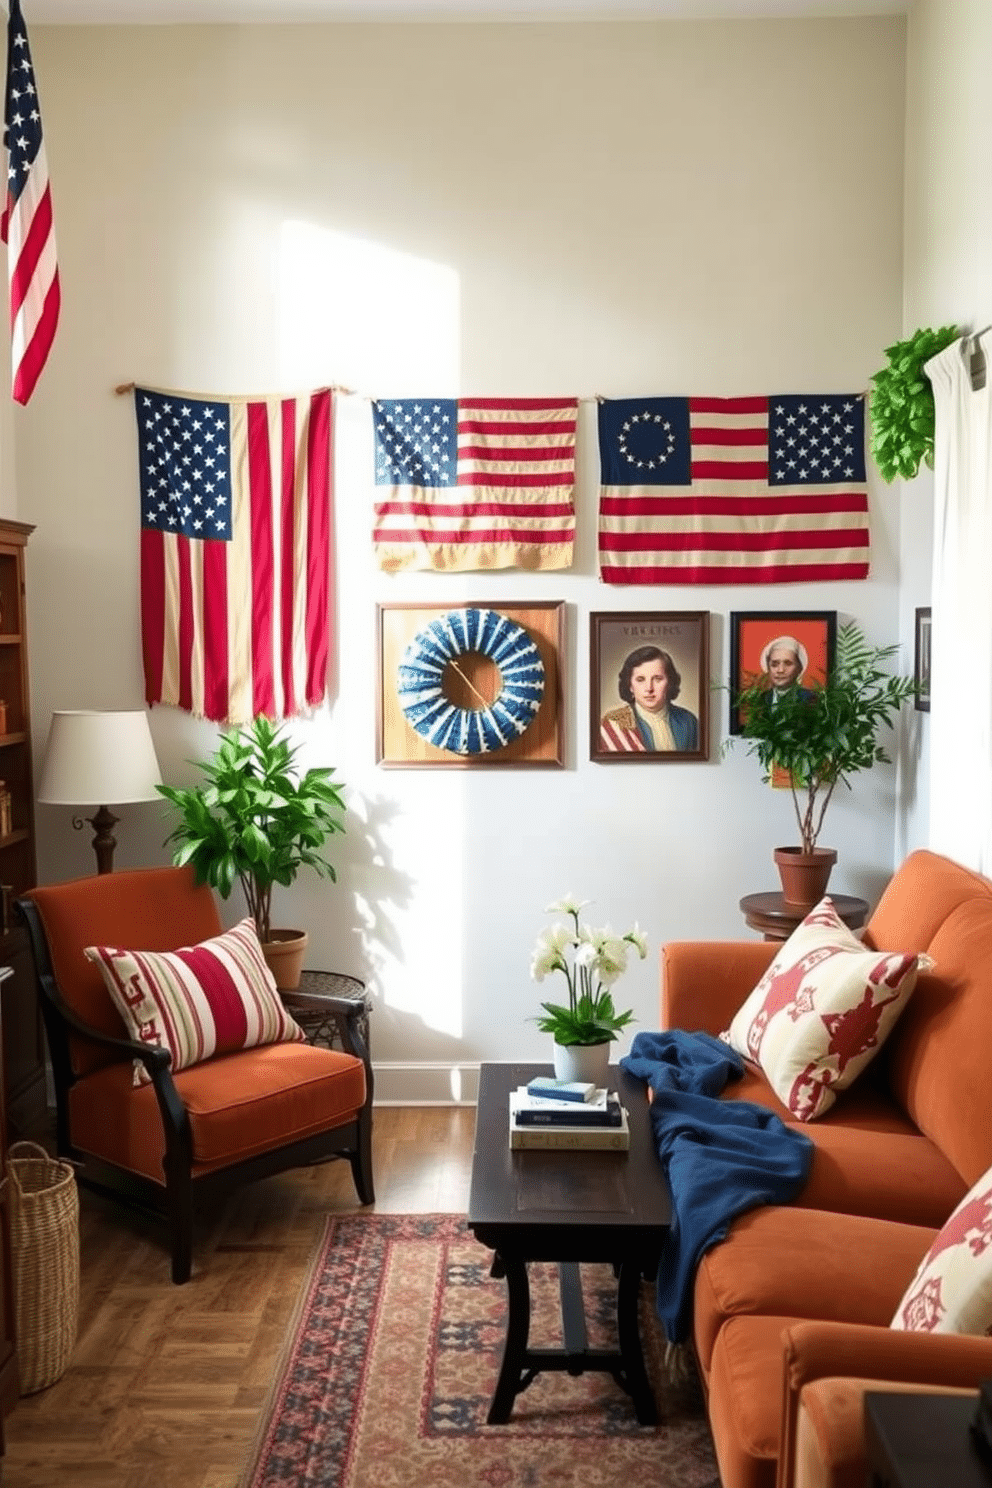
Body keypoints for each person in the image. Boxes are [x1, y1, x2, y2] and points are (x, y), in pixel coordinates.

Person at [600, 645, 699, 753]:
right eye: (640, 679)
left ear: (670, 682)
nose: (649, 688)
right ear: (630, 685)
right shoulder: (613, 724)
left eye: (657, 679)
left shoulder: (688, 721)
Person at [757, 635, 817, 704]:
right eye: (774, 665)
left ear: (799, 668)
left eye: (788, 664)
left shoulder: (810, 699)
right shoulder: (762, 698)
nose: (780, 670)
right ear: (768, 667)